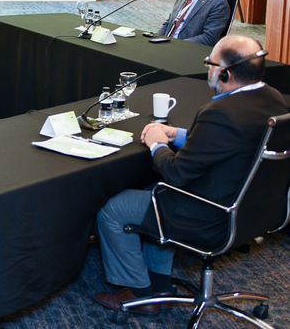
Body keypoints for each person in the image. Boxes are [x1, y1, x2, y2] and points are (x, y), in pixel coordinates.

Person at [92, 35, 285, 314]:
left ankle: (139, 293)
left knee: (114, 209)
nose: (208, 69)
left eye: (210, 64)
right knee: (150, 193)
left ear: (226, 74)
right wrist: (178, 134)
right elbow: (232, 143)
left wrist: (157, 144)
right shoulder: (273, 98)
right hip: (256, 210)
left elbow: (176, 174)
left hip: (210, 215)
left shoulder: (220, 113)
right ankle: (160, 284)